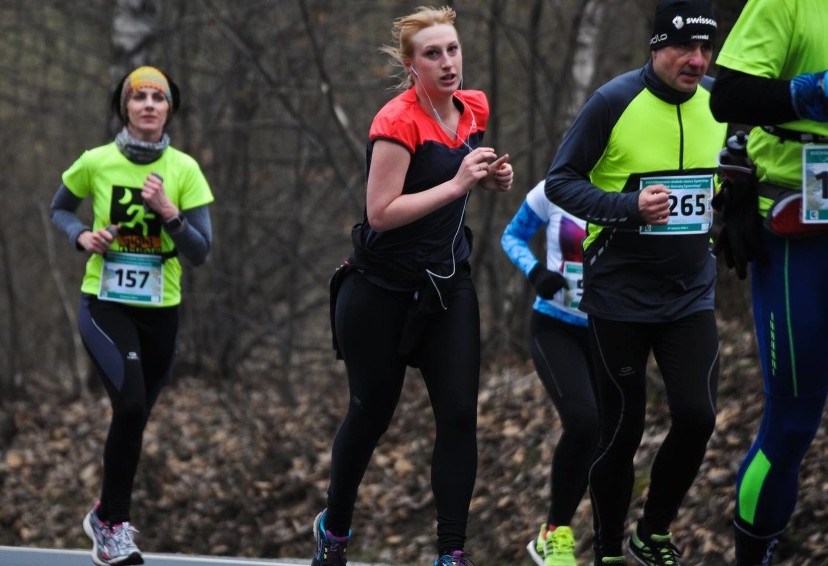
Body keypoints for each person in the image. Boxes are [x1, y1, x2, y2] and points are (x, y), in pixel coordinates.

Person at [311, 6, 513, 566]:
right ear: (411, 64)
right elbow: (381, 212)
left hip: (447, 288)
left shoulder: (472, 109)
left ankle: (451, 552)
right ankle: (335, 531)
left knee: (457, 414)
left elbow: (464, 174)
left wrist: (490, 177)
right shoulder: (396, 122)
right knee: (370, 415)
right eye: (432, 54)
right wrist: (457, 185)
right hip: (379, 292)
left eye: (452, 49)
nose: (447, 63)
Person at [544, 1, 726, 564]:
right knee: (621, 430)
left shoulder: (720, 101)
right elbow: (560, 182)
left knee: (697, 416)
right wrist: (627, 207)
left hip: (690, 291)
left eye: (705, 49)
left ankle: (652, 535)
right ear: (656, 46)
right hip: (618, 293)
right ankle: (609, 551)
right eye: (683, 49)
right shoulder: (614, 101)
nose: (696, 60)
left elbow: (735, 171)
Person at [50, 65, 214, 566]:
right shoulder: (96, 162)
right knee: (130, 405)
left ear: (169, 108)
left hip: (163, 309)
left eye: (157, 97)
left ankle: (105, 512)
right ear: (125, 107)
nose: (147, 104)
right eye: (137, 96)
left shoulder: (185, 170)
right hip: (106, 302)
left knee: (135, 413)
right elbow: (59, 208)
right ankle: (113, 524)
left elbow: (201, 251)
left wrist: (170, 213)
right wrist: (81, 236)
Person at [709, 0, 828, 563]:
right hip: (795, 226)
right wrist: (806, 94)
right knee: (795, 417)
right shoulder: (787, 3)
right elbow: (727, 96)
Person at [501, 180, 597, 566]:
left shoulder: (632, 189)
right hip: (556, 326)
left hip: (614, 330)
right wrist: (536, 271)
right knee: (584, 422)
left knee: (610, 436)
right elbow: (512, 237)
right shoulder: (554, 189)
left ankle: (607, 542)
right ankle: (554, 534)